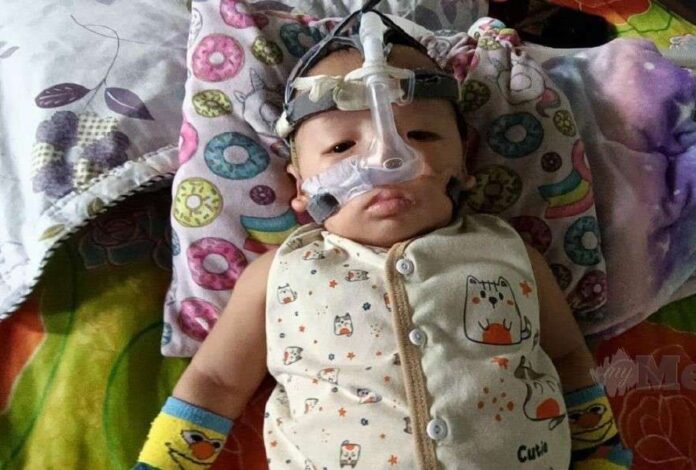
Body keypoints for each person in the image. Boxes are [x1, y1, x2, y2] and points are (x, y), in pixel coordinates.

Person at [136, 6, 631, 469]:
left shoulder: (509, 253)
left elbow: (567, 357)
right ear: (301, 187)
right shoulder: (277, 274)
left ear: (464, 166)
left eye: (421, 135)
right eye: (341, 146)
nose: (385, 159)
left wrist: (603, 456)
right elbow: (216, 381)